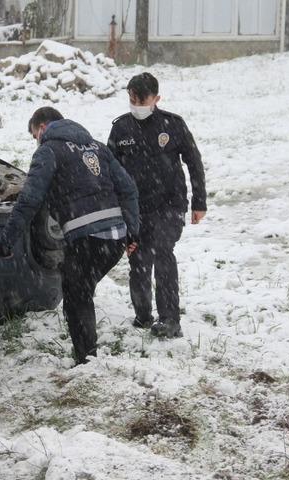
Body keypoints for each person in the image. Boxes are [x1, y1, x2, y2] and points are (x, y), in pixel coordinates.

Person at [0, 107, 140, 365]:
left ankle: (86, 360)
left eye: (35, 135)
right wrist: (132, 232)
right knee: (80, 290)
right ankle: (86, 354)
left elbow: (30, 199)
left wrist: (8, 238)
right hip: (115, 239)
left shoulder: (49, 151)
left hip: (87, 238)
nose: (37, 141)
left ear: (42, 127)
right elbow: (129, 188)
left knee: (77, 296)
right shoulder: (97, 147)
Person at [107, 72, 207, 339]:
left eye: (142, 100)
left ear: (156, 98)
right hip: (136, 208)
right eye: (132, 99)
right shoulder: (121, 128)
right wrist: (115, 210)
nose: (136, 104)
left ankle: (170, 319)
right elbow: (110, 171)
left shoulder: (173, 125)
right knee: (138, 259)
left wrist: (199, 202)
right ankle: (142, 315)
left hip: (169, 204)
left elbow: (194, 162)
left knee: (163, 254)